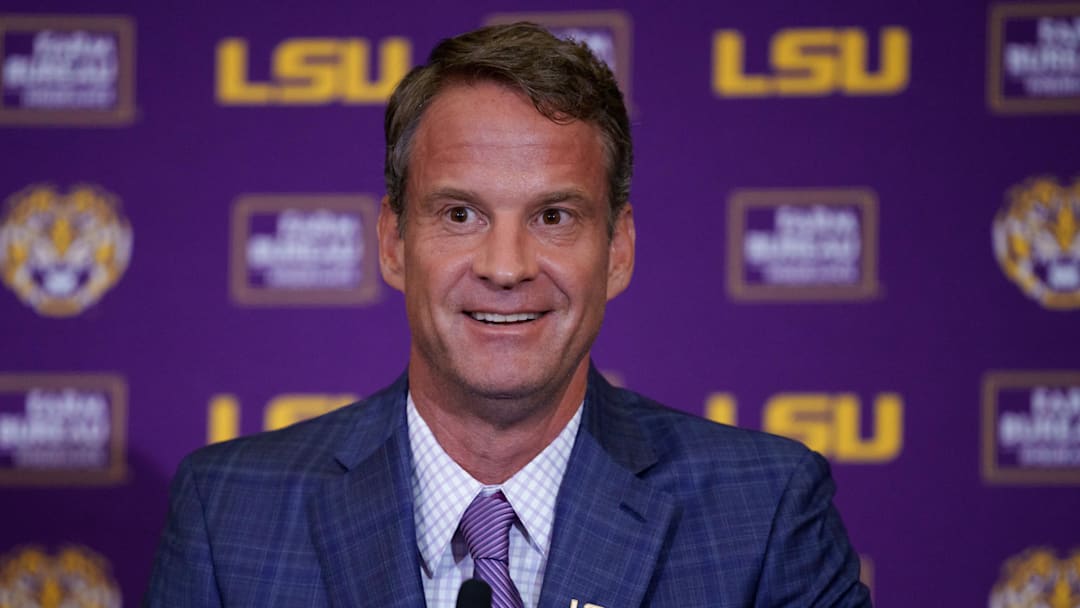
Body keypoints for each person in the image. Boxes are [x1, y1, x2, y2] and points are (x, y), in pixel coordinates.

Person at [146, 22, 871, 608]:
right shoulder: (231, 513)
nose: (505, 266)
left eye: (553, 216)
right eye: (460, 214)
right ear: (393, 243)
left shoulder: (764, 512)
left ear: (617, 250)